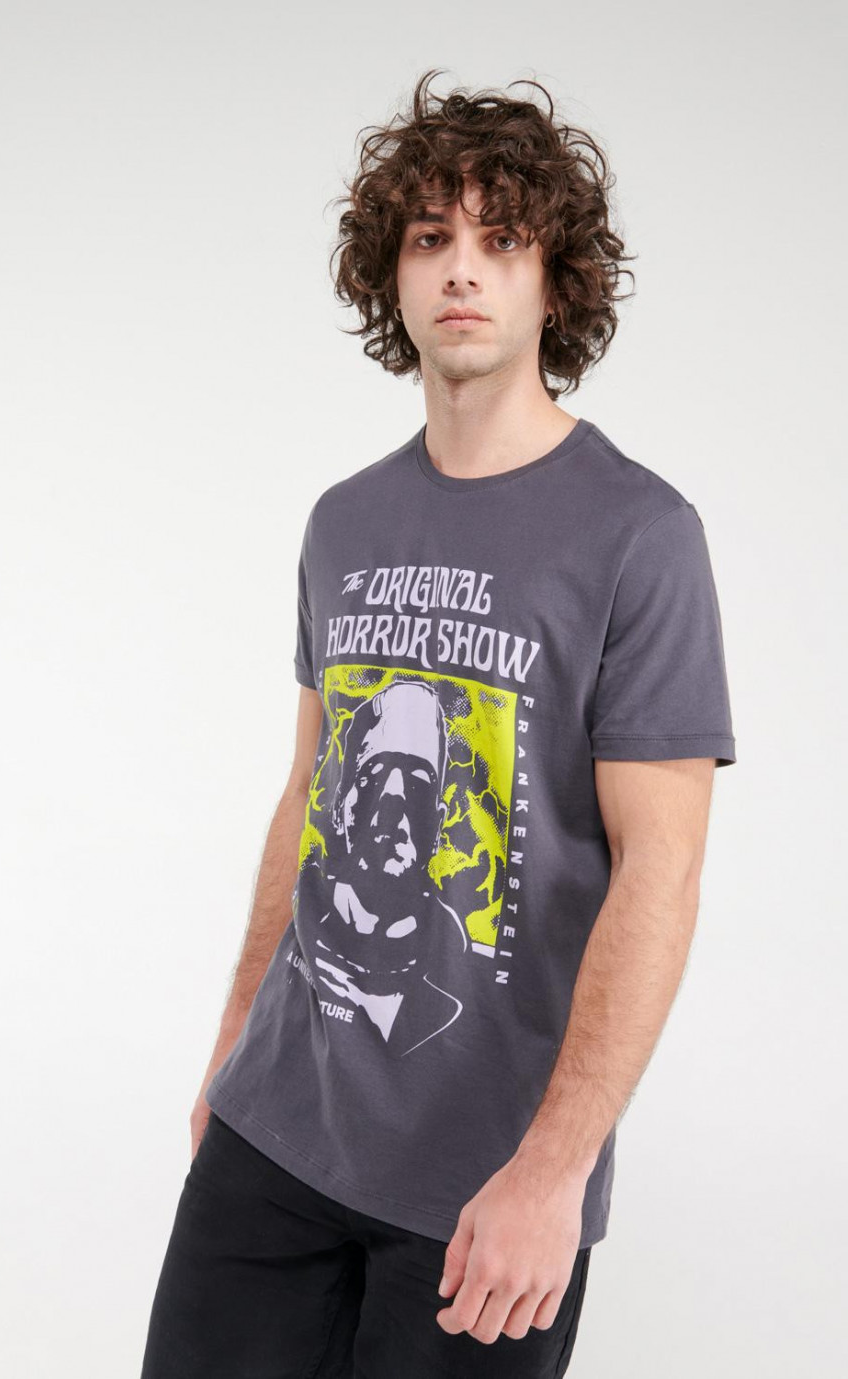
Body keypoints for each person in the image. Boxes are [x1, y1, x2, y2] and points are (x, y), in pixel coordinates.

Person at [140, 69, 737, 1378]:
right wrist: (232, 1053)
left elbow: (664, 867)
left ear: (553, 285)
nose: (462, 267)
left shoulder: (639, 537)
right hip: (274, 1138)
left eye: (502, 238)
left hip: (485, 1189)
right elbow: (306, 795)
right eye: (429, 237)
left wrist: (555, 1172)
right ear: (392, 278)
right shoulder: (344, 522)